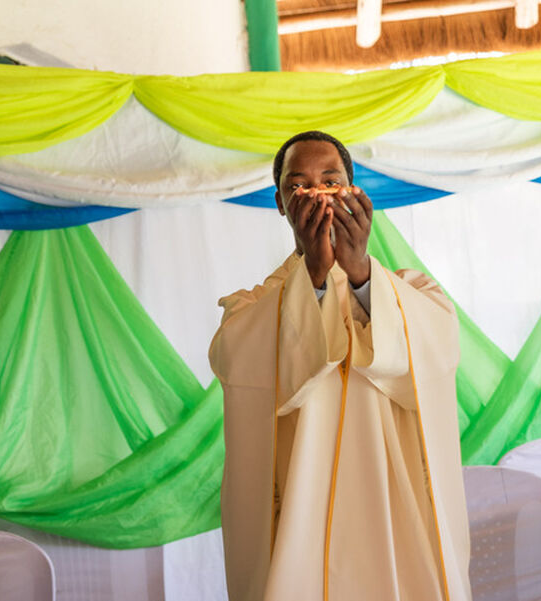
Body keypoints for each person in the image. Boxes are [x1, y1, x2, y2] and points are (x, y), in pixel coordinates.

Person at [208, 131, 471, 601]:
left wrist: (362, 277)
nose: (318, 194)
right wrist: (312, 277)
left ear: (354, 191)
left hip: (393, 507)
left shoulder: (409, 293)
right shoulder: (252, 309)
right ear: (281, 203)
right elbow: (238, 360)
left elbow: (440, 346)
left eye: (331, 180)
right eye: (299, 185)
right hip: (298, 511)